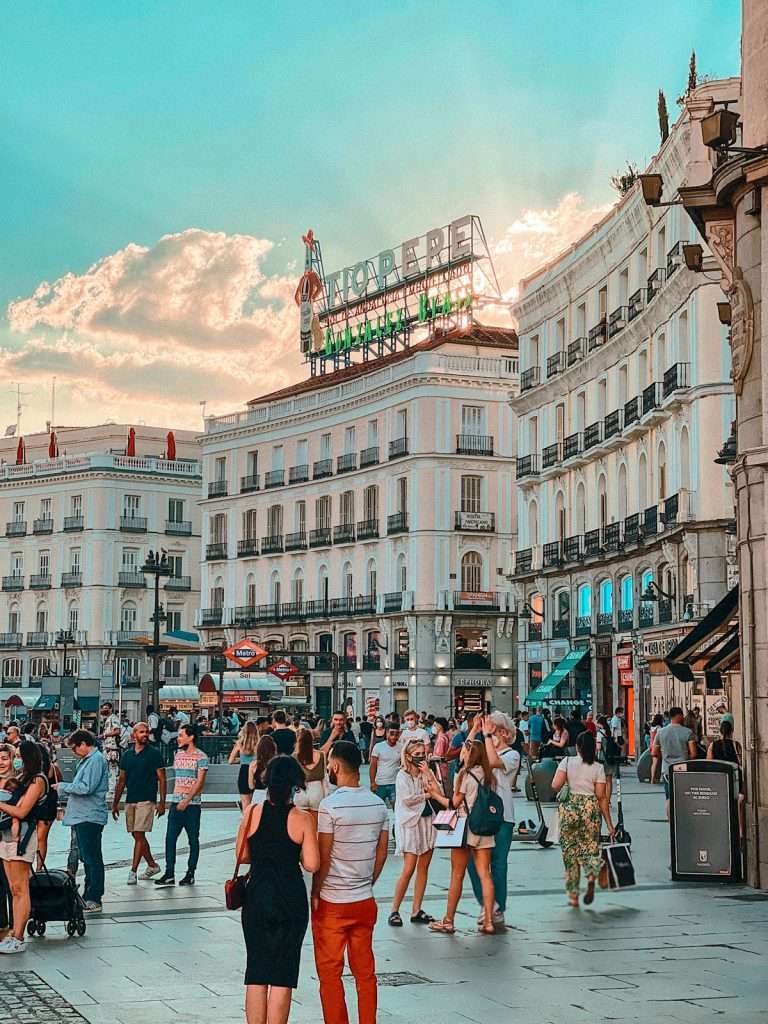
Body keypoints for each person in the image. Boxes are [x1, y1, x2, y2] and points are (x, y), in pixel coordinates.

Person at [237, 755, 319, 1024]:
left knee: (257, 971)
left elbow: (243, 855)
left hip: (256, 896)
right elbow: (312, 863)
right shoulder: (302, 818)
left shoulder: (252, 812)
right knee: (282, 973)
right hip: (289, 899)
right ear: (295, 786)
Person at [311, 741, 388, 1024]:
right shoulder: (378, 805)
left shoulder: (329, 806)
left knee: (330, 974)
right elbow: (381, 853)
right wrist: (368, 881)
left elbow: (324, 855)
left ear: (335, 766)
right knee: (365, 973)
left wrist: (316, 890)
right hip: (364, 900)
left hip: (333, 901)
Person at [430, 725, 496, 935]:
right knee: (485, 874)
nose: (463, 755)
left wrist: (434, 794)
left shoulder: (464, 777)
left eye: (466, 752)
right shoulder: (488, 776)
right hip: (484, 828)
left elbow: (453, 804)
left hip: (465, 827)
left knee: (457, 875)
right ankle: (488, 921)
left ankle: (448, 920)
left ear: (471, 756)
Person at [467, 713, 520, 929]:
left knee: (498, 863)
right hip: (479, 814)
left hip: (503, 816)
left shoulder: (512, 755)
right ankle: (486, 903)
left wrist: (487, 737)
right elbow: (467, 756)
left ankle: (497, 907)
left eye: (496, 730)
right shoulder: (485, 746)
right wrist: (473, 730)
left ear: (505, 733)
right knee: (474, 863)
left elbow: (495, 761)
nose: (491, 734)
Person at [552, 731, 614, 907]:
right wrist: (610, 824)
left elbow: (555, 785)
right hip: (590, 811)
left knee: (570, 852)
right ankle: (592, 877)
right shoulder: (598, 767)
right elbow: (602, 797)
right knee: (590, 848)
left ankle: (573, 895)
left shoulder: (567, 762)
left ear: (577, 747)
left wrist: (566, 782)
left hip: (569, 810)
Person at [388, 739, 443, 928]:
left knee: (424, 867)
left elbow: (440, 791)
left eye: (423, 753)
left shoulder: (425, 773)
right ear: (408, 755)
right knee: (408, 868)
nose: (421, 757)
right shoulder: (402, 776)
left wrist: (428, 773)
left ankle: (416, 909)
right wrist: (428, 795)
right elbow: (408, 800)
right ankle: (394, 909)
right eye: (417, 754)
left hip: (427, 821)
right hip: (410, 823)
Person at [0, 741, 48, 953]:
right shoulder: (20, 779)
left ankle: (18, 936)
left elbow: (21, 811)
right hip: (7, 836)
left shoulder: (37, 780)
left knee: (20, 889)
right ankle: (14, 932)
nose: (16, 759)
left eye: (19, 755)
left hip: (23, 839)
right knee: (13, 888)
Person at [55, 729, 108, 913]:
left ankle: (94, 896)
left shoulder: (95, 760)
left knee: (92, 857)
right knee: (88, 856)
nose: (74, 752)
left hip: (89, 815)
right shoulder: (89, 760)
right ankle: (89, 894)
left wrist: (63, 787)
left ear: (84, 744)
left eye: (75, 748)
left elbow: (87, 787)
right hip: (83, 814)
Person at [155, 723, 209, 887]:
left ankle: (190, 873)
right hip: (176, 801)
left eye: (181, 735)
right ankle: (169, 872)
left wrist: (187, 799)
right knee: (170, 838)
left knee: (193, 839)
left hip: (192, 805)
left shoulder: (201, 757)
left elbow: (200, 782)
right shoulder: (178, 755)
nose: (178, 738)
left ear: (191, 737)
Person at [111, 722, 166, 884]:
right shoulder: (127, 755)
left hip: (147, 799)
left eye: (147, 732)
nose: (145, 734)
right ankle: (152, 864)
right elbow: (121, 780)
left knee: (140, 834)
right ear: (134, 735)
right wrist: (115, 803)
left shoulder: (154, 754)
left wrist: (162, 802)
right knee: (136, 834)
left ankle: (133, 871)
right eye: (141, 732)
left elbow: (162, 779)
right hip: (131, 799)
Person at [652, 707, 698, 819]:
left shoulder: (661, 732)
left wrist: (666, 755)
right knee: (683, 796)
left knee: (669, 798)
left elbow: (654, 752)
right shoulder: (688, 732)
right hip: (683, 768)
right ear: (679, 716)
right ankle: (682, 820)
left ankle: (670, 821)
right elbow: (693, 754)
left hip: (667, 769)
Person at [707, 713, 745, 836]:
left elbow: (709, 763)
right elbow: (740, 763)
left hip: (719, 780)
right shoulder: (736, 745)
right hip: (735, 781)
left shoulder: (713, 745)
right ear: (732, 729)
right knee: (738, 808)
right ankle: (740, 833)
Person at [293, 727, 326, 818]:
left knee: (302, 823)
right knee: (316, 824)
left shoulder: (295, 756)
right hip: (317, 789)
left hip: (301, 790)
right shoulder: (321, 755)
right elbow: (324, 777)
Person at [229, 721, 260, 813]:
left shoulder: (239, 744)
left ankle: (245, 823)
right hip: (256, 771)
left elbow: (230, 761)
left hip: (244, 771)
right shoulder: (259, 743)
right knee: (256, 803)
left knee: (245, 802)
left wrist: (241, 759)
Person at [368, 724, 401, 807]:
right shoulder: (378, 747)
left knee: (396, 808)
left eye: (396, 734)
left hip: (395, 784)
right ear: (386, 733)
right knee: (377, 808)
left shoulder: (401, 747)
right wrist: (372, 783)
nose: (394, 736)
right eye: (391, 733)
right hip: (380, 784)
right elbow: (373, 766)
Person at [595, 715, 618, 802]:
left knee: (602, 779)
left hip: (602, 757)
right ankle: (608, 800)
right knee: (609, 780)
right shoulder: (610, 732)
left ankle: (603, 798)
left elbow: (598, 747)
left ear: (600, 724)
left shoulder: (599, 733)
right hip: (610, 757)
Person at [249, 735, 278, 805]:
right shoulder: (276, 763)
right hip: (273, 795)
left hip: (258, 795)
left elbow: (251, 786)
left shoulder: (253, 765)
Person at [648, 714, 664, 783]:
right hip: (658, 746)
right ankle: (661, 777)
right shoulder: (659, 727)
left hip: (652, 745)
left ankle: (652, 778)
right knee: (663, 761)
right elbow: (660, 737)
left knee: (654, 763)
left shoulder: (652, 727)